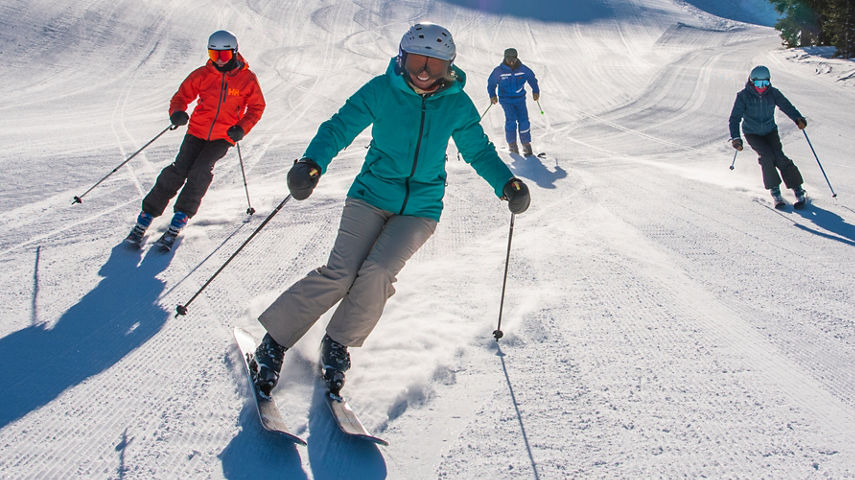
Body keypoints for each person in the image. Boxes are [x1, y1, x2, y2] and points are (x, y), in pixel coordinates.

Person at [250, 23, 531, 397]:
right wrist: (312, 163)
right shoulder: (383, 90)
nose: (424, 70)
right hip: (370, 194)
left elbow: (478, 151)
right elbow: (338, 128)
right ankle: (274, 342)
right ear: (402, 58)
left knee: (378, 272)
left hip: (421, 208)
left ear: (449, 65)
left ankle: (337, 343)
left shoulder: (457, 103)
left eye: (434, 63)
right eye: (417, 59)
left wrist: (506, 183)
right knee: (341, 273)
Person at [125, 30, 265, 248]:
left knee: (200, 171)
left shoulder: (247, 79)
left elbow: (257, 107)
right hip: (196, 131)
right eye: (213, 55)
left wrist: (241, 127)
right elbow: (181, 96)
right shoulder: (202, 74)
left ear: (235, 53)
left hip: (223, 136)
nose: (218, 60)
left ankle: (181, 215)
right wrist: (178, 112)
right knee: (178, 170)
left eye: (224, 56)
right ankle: (147, 214)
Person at [729, 65, 808, 209]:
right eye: (759, 83)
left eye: (765, 83)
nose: (762, 87)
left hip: (770, 130)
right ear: (752, 82)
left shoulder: (773, 93)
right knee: (766, 156)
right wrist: (736, 138)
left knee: (778, 156)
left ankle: (797, 187)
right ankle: (775, 190)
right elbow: (734, 119)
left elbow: (786, 106)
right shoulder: (743, 96)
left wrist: (798, 118)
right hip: (752, 133)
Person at [487, 48, 540, 156]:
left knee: (524, 120)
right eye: (509, 58)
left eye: (514, 58)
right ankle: (512, 144)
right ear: (505, 58)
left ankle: (526, 143)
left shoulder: (523, 69)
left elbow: (532, 79)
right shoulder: (499, 71)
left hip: (520, 99)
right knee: (511, 120)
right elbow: (491, 83)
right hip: (505, 99)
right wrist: (492, 95)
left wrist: (536, 91)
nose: (511, 61)